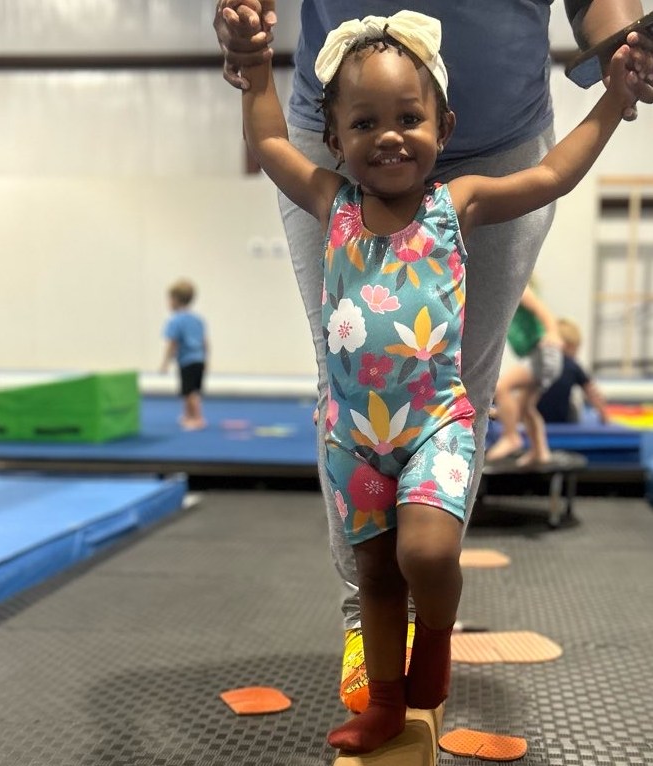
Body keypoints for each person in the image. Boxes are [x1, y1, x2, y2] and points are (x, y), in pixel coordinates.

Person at [214, 0, 653, 717]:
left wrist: (616, 94)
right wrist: (256, 62)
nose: (388, 139)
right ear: (334, 136)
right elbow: (267, 142)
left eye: (407, 122)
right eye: (364, 125)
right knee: (377, 576)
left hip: (434, 426)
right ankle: (383, 692)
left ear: (441, 130)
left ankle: (437, 638)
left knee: (420, 555)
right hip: (357, 440)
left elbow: (552, 177)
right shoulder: (335, 204)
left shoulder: (459, 204)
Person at [486, 283, 564, 464]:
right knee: (526, 408)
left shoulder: (520, 287)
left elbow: (540, 308)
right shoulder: (506, 299)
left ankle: (511, 436)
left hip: (543, 353)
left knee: (501, 387)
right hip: (536, 354)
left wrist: (553, 332)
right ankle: (540, 451)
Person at [538, 317, 609, 423]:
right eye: (576, 348)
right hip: (562, 419)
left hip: (537, 417)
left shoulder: (541, 363)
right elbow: (592, 392)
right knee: (574, 406)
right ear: (568, 346)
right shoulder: (573, 366)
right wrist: (604, 416)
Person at [160, 279, 208, 430]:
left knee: (188, 392)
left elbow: (173, 343)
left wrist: (165, 362)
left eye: (169, 300)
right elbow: (205, 341)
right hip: (199, 359)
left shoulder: (175, 321)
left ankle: (198, 418)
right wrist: (206, 358)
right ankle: (188, 415)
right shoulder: (197, 319)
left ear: (175, 300)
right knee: (193, 391)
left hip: (187, 360)